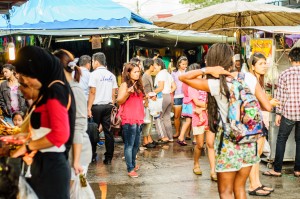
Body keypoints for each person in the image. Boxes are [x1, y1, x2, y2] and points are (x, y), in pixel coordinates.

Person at [179, 43, 275, 199]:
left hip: (229, 142)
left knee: (225, 192)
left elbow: (183, 77)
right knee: (240, 189)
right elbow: (267, 106)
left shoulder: (217, 84)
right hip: (249, 141)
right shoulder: (248, 77)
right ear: (231, 59)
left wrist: (208, 70)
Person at [11, 46, 76, 199]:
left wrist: (27, 146)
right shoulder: (47, 91)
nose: (24, 80)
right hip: (43, 164)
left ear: (38, 70)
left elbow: (60, 134)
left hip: (52, 168)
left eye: (26, 75)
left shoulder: (56, 90)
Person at [54, 49, 92, 183]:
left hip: (78, 153)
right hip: (71, 151)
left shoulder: (74, 90)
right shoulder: (64, 88)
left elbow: (79, 125)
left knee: (76, 190)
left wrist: (76, 161)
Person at [263, 47, 300, 178]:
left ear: (290, 59)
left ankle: (277, 170)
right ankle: (298, 170)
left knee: (281, 140)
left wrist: (278, 113)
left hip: (289, 112)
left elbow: (280, 96)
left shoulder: (284, 74)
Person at [247, 52, 279, 196]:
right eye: (260, 63)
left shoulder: (257, 79)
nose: (264, 66)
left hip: (256, 119)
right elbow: (260, 104)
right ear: (252, 66)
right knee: (255, 154)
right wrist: (269, 102)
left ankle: (257, 183)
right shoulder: (252, 79)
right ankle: (253, 185)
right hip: (254, 121)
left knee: (257, 154)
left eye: (265, 63)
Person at [88, 52, 118, 164]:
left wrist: (88, 107)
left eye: (92, 61)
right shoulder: (112, 75)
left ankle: (92, 155)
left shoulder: (93, 75)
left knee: (93, 131)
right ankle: (109, 158)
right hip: (108, 106)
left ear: (96, 61)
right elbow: (114, 93)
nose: (92, 64)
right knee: (108, 132)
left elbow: (92, 92)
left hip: (96, 107)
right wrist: (112, 104)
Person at [117, 62, 145, 178]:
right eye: (135, 72)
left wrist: (148, 97)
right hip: (128, 118)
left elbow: (141, 100)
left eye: (138, 71)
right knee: (129, 145)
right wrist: (127, 93)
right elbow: (119, 101)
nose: (138, 74)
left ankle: (133, 164)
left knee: (136, 145)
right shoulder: (124, 85)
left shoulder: (138, 84)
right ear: (128, 73)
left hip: (138, 118)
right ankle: (130, 168)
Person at [153, 58, 176, 143]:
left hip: (162, 96)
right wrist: (169, 92)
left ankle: (163, 136)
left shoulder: (160, 74)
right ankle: (170, 137)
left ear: (159, 66)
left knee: (158, 117)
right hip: (169, 96)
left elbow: (160, 87)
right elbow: (174, 87)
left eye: (155, 66)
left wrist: (151, 93)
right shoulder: (168, 74)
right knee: (167, 117)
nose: (154, 68)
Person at [171, 56, 188, 139]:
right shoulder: (174, 73)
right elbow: (172, 84)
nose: (185, 66)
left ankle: (187, 134)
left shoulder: (188, 72)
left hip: (187, 96)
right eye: (183, 64)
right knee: (177, 116)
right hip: (177, 95)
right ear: (179, 64)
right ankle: (177, 132)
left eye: (186, 64)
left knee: (188, 116)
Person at [141, 58, 156, 148]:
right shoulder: (145, 77)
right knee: (147, 121)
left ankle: (148, 138)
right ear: (150, 66)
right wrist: (147, 100)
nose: (154, 67)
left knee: (150, 121)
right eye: (153, 65)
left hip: (150, 100)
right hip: (146, 101)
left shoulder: (148, 75)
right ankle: (145, 140)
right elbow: (144, 91)